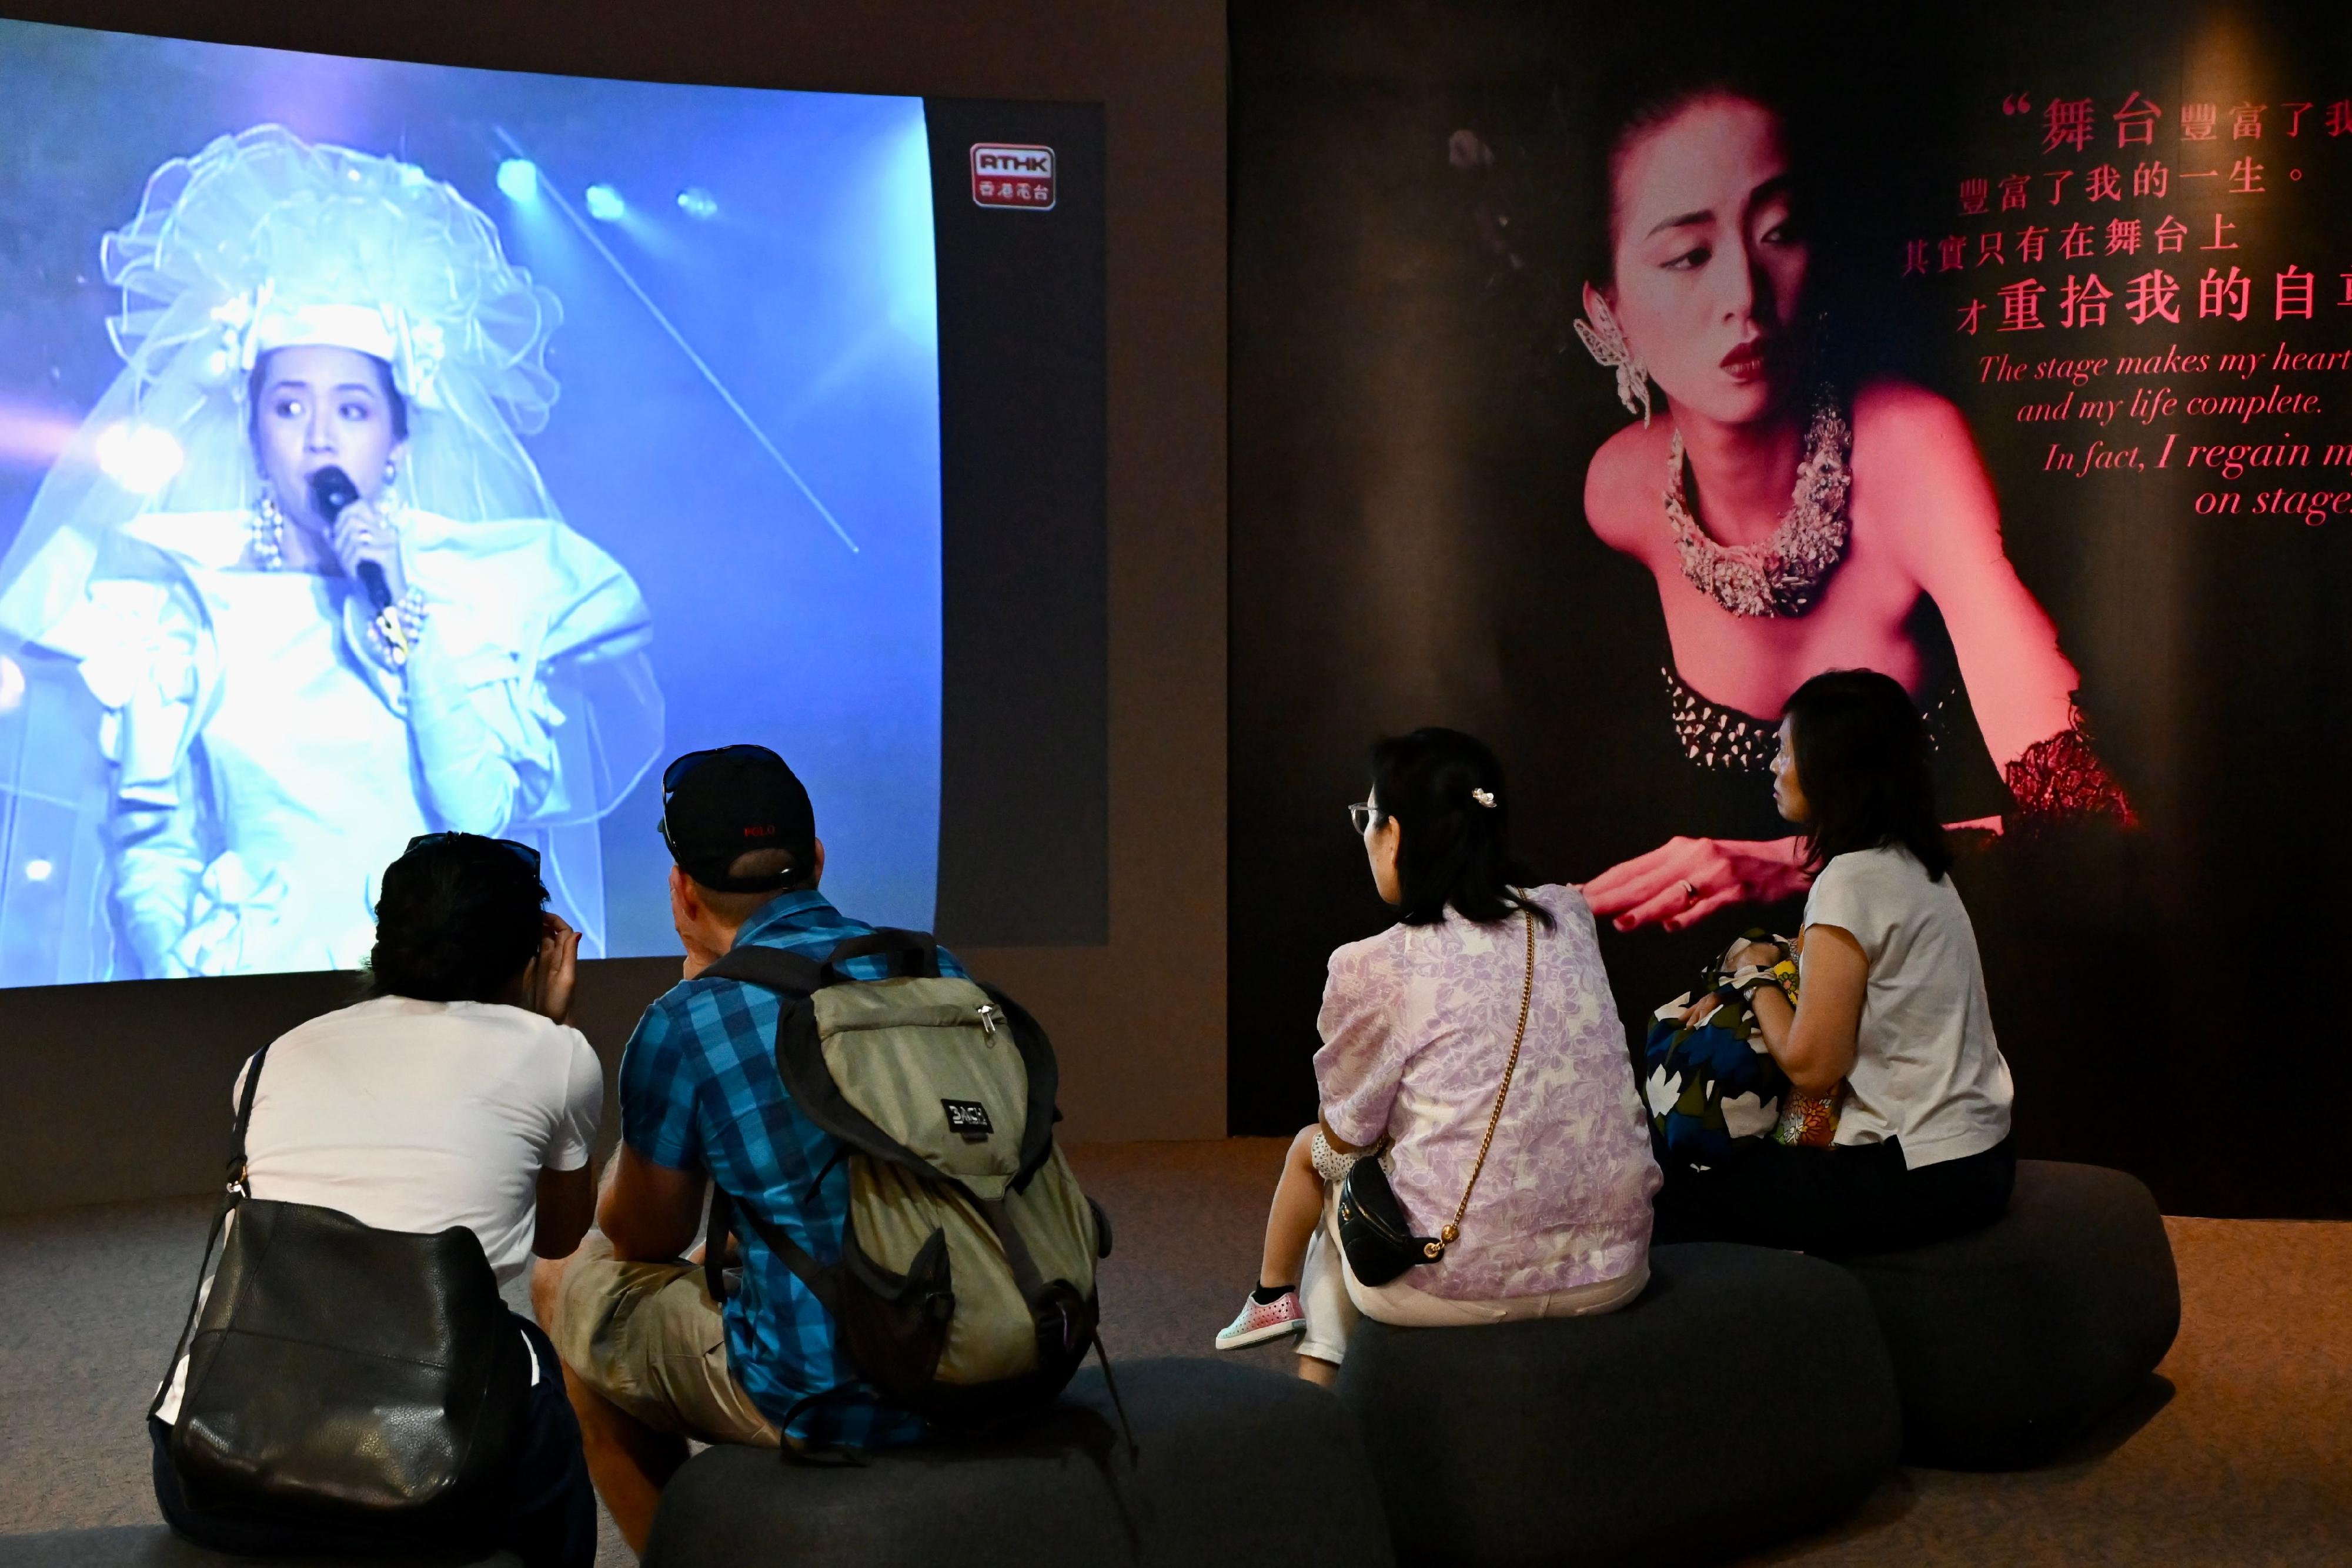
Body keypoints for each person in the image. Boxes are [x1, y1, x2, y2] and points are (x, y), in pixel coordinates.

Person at [0, 125, 661, 984]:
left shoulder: (467, 593)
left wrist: (403, 615)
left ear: (395, 437)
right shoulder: (179, 599)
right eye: (288, 407)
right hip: (244, 993)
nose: (319, 437)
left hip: (440, 994)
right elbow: (151, 843)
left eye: (351, 409)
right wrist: (185, 986)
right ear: (251, 429)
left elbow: (482, 815)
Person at [1568, 68, 2131, 941]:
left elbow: (2098, 826)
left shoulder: (1914, 450)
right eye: (1686, 256)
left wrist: (1794, 866)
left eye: (1779, 232)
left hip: (1945, 977)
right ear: (1609, 310)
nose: (1745, 299)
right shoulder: (1616, 497)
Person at [542, 744, 968, 1550]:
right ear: (815, 858)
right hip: (995, 1344)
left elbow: (643, 1236)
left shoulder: (688, 1017)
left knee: (567, 1277)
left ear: (682, 889)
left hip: (834, 1387)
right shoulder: (936, 966)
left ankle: (684, 1549)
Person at [151, 831, 603, 1568]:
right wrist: (546, 1026)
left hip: (208, 1468)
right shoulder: (558, 1056)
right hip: (436, 1479)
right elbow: (558, 1237)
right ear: (534, 955)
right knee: (532, 1370)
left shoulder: (272, 1057)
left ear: (381, 941)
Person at [1215, 728, 1659, 1381]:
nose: (1364, 835)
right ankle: (1307, 1375)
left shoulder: (1372, 965)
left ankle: (1296, 1359)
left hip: (1452, 1279)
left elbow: (1347, 1132)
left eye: (1367, 818)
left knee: (1340, 1182)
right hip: (1618, 1266)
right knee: (1358, 1197)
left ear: (1394, 835)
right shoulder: (1567, 914)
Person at [1652, 670, 2017, 1253]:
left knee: (1671, 1172)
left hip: (1911, 1174)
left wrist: (1748, 975)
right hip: (1978, 1158)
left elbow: (1813, 1064)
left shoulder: (1850, 880)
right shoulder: (1912, 864)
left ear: (1833, 768)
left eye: (1784, 751)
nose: (1774, 766)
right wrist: (1774, 958)